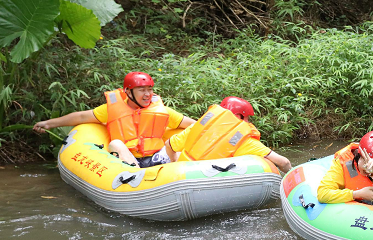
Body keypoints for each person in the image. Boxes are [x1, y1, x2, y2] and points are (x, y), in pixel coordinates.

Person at [32, 71, 195, 168]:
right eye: (142, 90)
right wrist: (49, 124)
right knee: (115, 144)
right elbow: (81, 116)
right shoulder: (111, 110)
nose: (147, 94)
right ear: (128, 92)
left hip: (157, 157)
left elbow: (193, 125)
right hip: (130, 160)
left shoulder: (162, 111)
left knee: (174, 144)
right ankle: (136, 177)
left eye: (150, 90)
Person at [163, 96, 292, 173]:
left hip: (183, 174)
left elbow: (169, 144)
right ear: (238, 116)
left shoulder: (197, 128)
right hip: (210, 182)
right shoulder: (243, 140)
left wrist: (174, 161)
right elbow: (283, 162)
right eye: (247, 118)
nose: (249, 121)